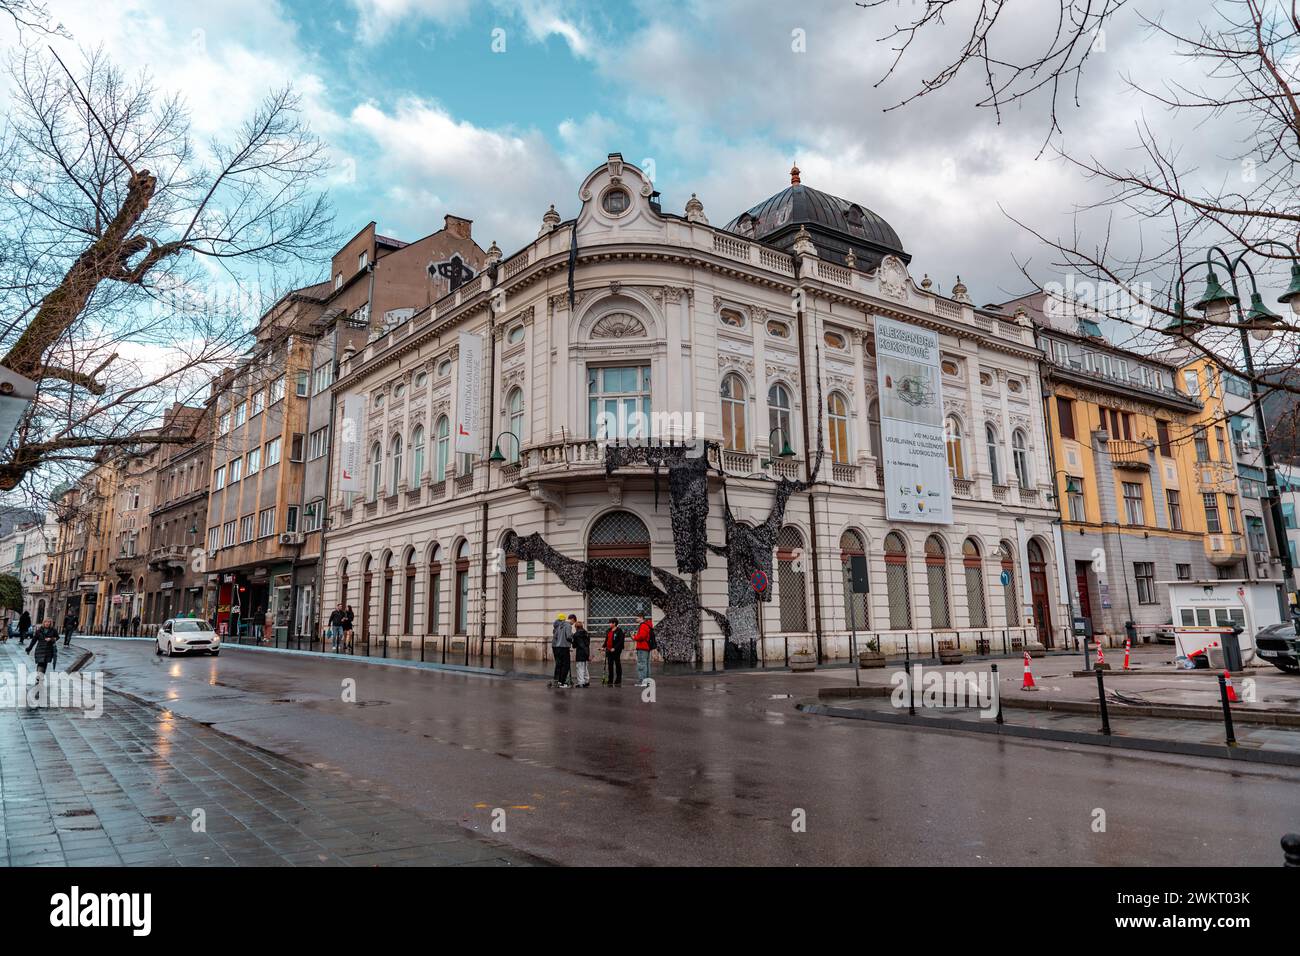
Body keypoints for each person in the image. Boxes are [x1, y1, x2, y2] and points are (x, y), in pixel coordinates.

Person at [27, 618, 59, 686]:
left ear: (50, 623)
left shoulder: (53, 630)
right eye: (46, 622)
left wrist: (51, 639)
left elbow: (57, 637)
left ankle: (40, 677)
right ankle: (39, 677)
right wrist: (29, 648)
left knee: (44, 664)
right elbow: (34, 640)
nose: (47, 623)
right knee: (40, 663)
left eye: (49, 622)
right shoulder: (39, 630)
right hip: (40, 649)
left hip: (48, 650)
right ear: (43, 623)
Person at [550, 613, 573, 688]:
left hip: (557, 646)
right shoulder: (566, 625)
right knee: (565, 665)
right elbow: (568, 636)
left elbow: (556, 636)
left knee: (558, 664)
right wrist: (573, 640)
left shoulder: (557, 626)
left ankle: (557, 680)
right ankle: (562, 682)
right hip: (563, 647)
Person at [633, 612, 654, 686]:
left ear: (641, 617)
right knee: (646, 665)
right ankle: (647, 681)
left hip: (642, 647)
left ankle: (642, 681)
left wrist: (634, 637)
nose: (636, 619)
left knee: (641, 665)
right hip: (646, 647)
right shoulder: (647, 625)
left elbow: (641, 637)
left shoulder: (643, 625)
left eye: (637, 618)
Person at [603, 618, 624, 687]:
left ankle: (618, 679)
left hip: (616, 650)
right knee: (610, 665)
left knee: (617, 664)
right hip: (609, 650)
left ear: (614, 623)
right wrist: (603, 647)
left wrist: (614, 648)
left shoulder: (619, 631)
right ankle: (610, 679)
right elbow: (607, 639)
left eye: (610, 623)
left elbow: (621, 641)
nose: (609, 624)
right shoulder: (609, 630)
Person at [571, 616, 590, 688]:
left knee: (579, 668)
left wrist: (572, 641)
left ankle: (581, 682)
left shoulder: (576, 634)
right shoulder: (586, 633)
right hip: (586, 652)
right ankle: (586, 681)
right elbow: (587, 643)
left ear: (576, 627)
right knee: (585, 668)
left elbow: (574, 645)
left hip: (580, 653)